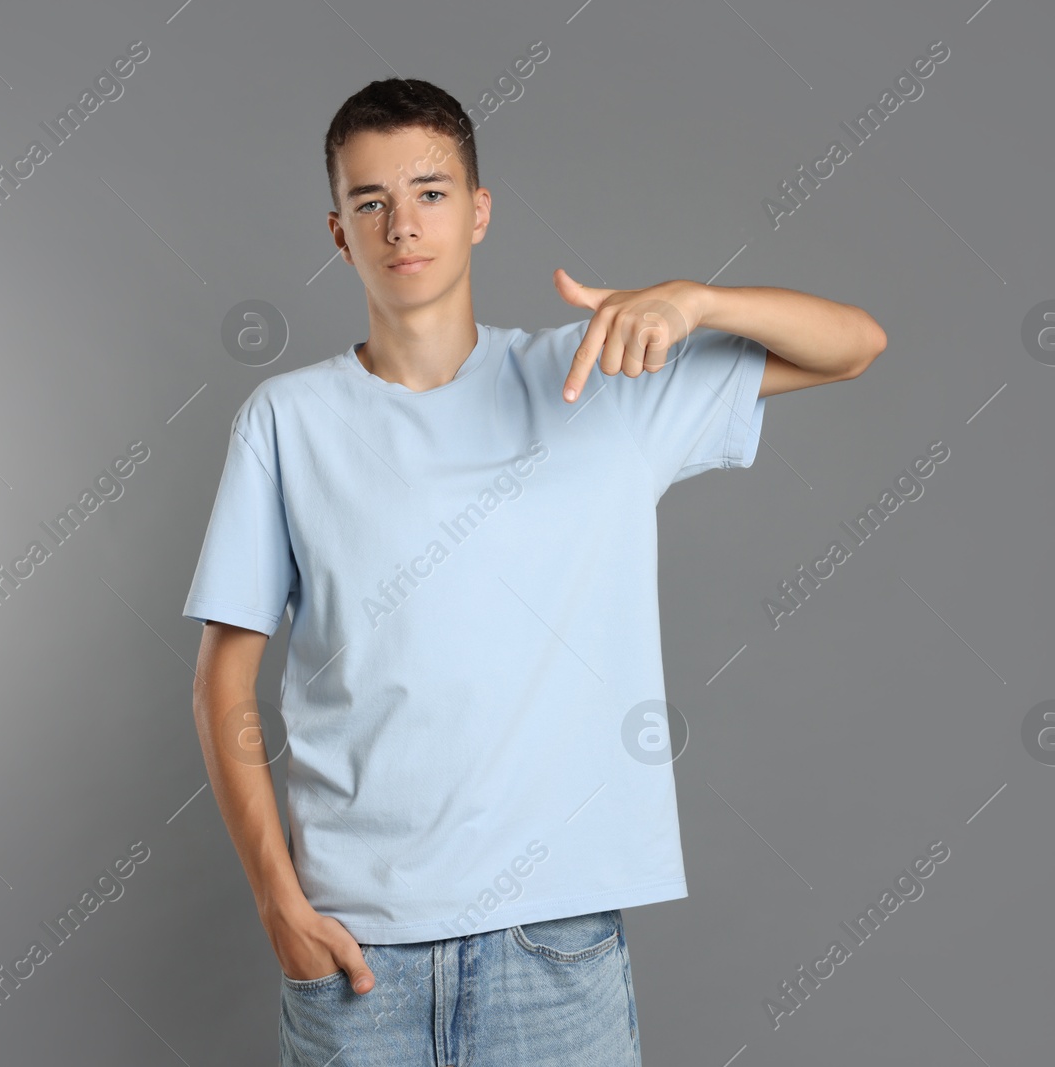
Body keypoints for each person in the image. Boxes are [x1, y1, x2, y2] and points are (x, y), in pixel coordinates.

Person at [184, 78, 885, 1066]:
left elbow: (854, 345)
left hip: (551, 943)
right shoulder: (286, 421)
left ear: (477, 212)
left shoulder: (605, 378)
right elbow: (224, 672)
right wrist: (276, 902)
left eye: (429, 192)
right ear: (338, 231)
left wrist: (697, 299)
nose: (401, 223)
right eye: (369, 201)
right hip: (356, 951)